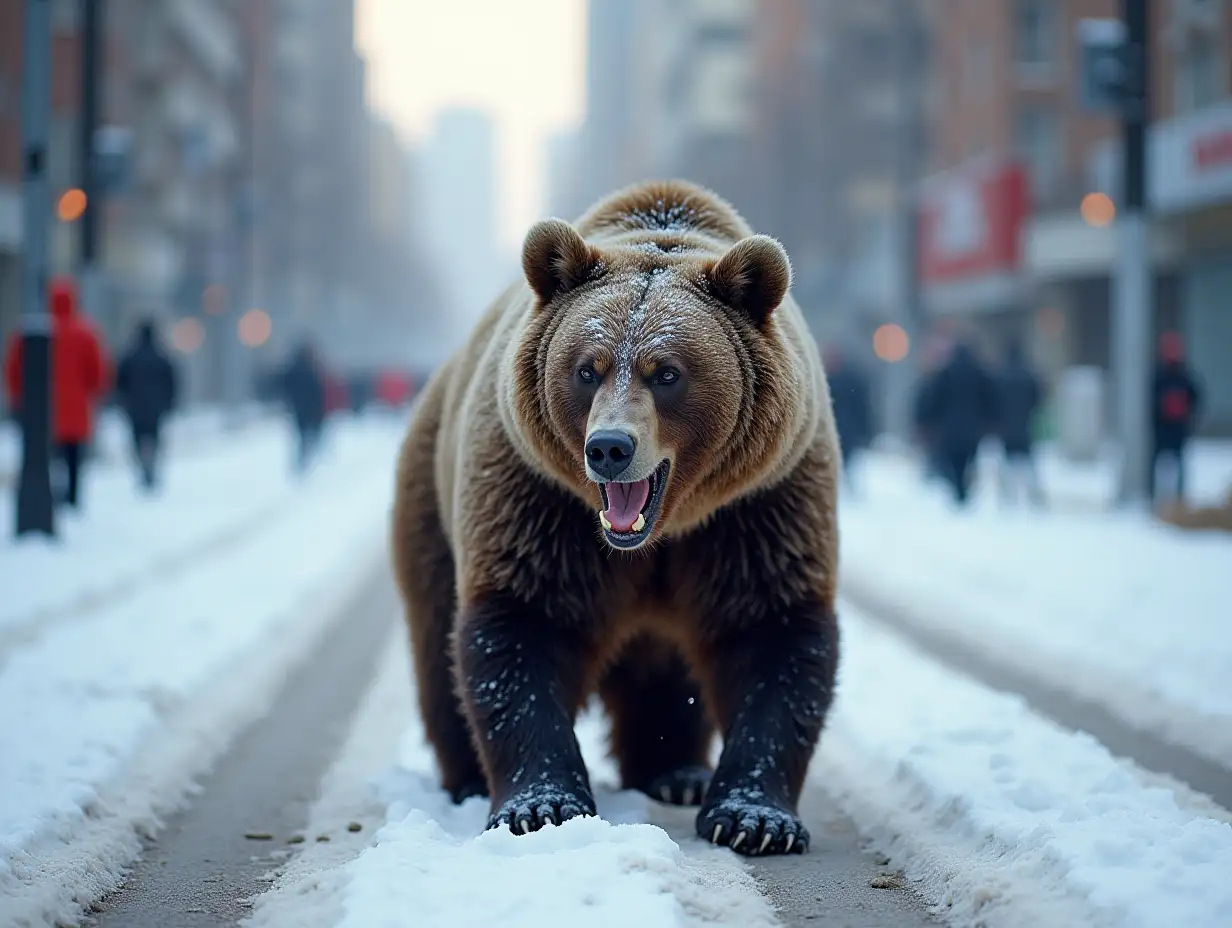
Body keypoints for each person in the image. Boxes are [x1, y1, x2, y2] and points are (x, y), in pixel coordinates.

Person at [3, 276, 110, 509]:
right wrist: (93, 394)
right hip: (75, 410)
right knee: (72, 458)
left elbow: (14, 369)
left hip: (39, 411)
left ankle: (46, 497)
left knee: (42, 457)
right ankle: (71, 498)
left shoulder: (30, 331)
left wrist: (17, 397)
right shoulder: (85, 333)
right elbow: (98, 372)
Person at [920, 339, 998, 506]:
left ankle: (958, 488)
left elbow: (934, 399)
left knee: (953, 461)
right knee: (968, 459)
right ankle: (963, 489)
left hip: (950, 428)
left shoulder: (946, 373)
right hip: (973, 428)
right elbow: (990, 399)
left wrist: (927, 421)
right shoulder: (979, 373)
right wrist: (990, 421)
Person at [115, 319, 179, 491]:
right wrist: (170, 403)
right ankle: (151, 468)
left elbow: (119, 381)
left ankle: (142, 469)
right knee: (154, 438)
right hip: (156, 407)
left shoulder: (130, 357)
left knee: (137, 439)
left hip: (134, 406)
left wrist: (121, 401)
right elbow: (172, 382)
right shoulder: (161, 357)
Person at [1150, 332, 1202, 504]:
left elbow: (1195, 397)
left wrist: (1189, 417)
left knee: (1178, 464)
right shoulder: (1159, 374)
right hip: (1161, 428)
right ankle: (1152, 495)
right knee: (1155, 462)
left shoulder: (1184, 375)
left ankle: (1179, 497)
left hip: (1178, 428)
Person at [995, 338, 1045, 507]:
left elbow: (994, 402)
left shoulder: (1000, 376)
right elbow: (1038, 399)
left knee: (1007, 464)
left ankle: (1008, 497)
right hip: (1025, 426)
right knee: (1029, 465)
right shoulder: (1027, 375)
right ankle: (1034, 497)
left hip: (1006, 428)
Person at [823, 345, 873, 487]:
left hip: (847, 430)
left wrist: (866, 430)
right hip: (833, 429)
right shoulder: (825, 379)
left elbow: (862, 407)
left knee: (846, 460)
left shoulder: (851, 380)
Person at [281, 340, 326, 473]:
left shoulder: (294, 368)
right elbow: (317, 390)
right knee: (306, 433)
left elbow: (285, 385)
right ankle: (305, 456)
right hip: (307, 407)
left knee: (302, 433)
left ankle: (303, 457)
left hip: (298, 406)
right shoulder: (311, 369)